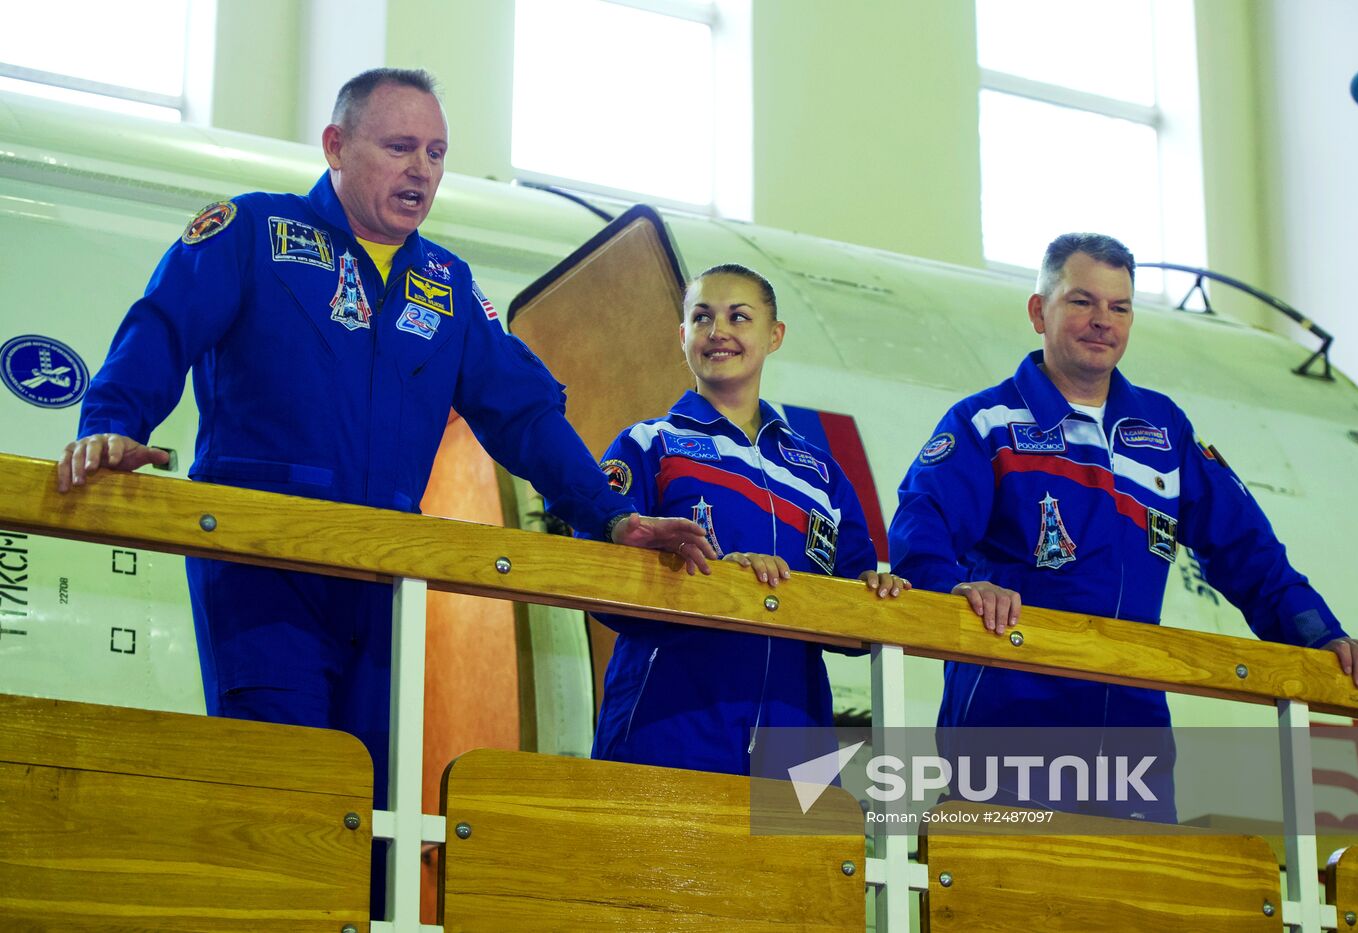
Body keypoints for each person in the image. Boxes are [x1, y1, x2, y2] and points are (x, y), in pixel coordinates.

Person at [55, 68, 715, 810]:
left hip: (387, 576)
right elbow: (162, 326)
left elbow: (524, 415)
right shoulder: (250, 233)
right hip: (262, 564)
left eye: (436, 152)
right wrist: (110, 426)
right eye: (401, 146)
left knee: (369, 805)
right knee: (286, 789)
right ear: (336, 145)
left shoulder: (448, 284)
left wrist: (610, 514)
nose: (422, 170)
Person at [890, 232, 1358, 820]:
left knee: (1135, 905)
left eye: (1119, 307)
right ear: (1038, 311)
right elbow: (923, 521)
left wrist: (1320, 636)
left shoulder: (1164, 430)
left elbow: (1248, 549)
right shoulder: (987, 423)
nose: (1102, 321)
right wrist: (954, 589)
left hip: (1134, 740)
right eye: (1081, 301)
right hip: (1009, 725)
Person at [584, 263, 909, 776]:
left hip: (795, 734)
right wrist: (717, 580)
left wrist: (873, 586)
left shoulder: (819, 471)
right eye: (702, 318)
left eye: (739, 317)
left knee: (787, 859)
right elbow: (594, 566)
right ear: (683, 336)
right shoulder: (648, 444)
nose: (719, 333)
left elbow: (851, 596)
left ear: (774, 335)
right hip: (668, 721)